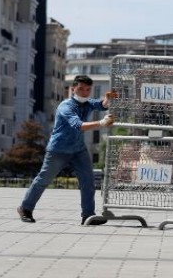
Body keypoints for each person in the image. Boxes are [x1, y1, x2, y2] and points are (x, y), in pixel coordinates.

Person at [17, 75, 118, 225]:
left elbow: (101, 105)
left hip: (78, 149)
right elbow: (79, 125)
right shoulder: (66, 106)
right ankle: (25, 208)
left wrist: (108, 99)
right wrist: (102, 122)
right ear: (73, 89)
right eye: (81, 89)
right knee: (44, 179)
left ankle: (88, 215)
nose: (85, 92)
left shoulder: (87, 103)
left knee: (88, 181)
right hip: (59, 149)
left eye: (88, 89)